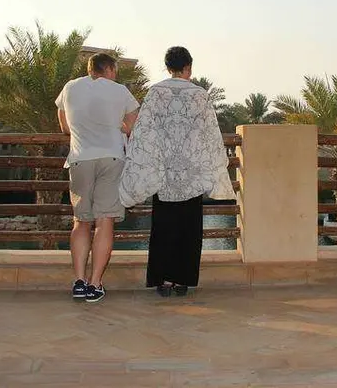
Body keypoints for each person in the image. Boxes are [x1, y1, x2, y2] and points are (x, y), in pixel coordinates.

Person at [118, 46, 233, 297]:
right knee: (189, 228)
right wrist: (210, 167)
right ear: (189, 67)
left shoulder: (155, 93)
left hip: (165, 173)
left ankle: (163, 281)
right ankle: (183, 280)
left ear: (168, 68)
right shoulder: (200, 95)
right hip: (191, 173)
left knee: (164, 227)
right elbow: (210, 134)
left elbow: (144, 134)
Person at [56, 52, 139, 303]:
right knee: (105, 221)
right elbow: (133, 125)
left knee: (81, 222)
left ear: (90, 69)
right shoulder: (119, 90)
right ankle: (95, 284)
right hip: (112, 158)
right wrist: (118, 126)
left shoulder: (70, 88)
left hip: (80, 159)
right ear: (110, 70)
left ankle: (79, 281)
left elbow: (64, 127)